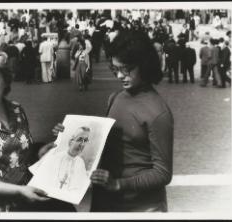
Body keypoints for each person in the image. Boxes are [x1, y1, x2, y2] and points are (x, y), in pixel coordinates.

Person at [54, 29, 174, 212]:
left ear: (143, 64)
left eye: (126, 70)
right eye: (115, 69)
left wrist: (119, 184)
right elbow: (103, 144)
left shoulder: (158, 112)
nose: (119, 76)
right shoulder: (115, 97)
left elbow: (163, 173)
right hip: (106, 200)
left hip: (140, 207)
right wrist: (68, 135)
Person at [0, 52, 75, 212]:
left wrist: (40, 153)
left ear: (5, 81)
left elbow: (19, 155)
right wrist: (19, 191)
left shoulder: (16, 109)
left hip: (25, 202)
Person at [29, 127, 90, 191]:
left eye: (85, 140)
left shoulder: (80, 162)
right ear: (71, 141)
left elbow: (81, 186)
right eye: (79, 139)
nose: (82, 144)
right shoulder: (55, 157)